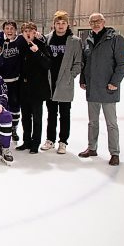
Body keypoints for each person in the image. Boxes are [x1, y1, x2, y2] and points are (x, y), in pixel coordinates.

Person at [78, 12, 124, 166]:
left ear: (104, 21)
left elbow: (122, 64)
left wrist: (115, 82)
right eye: (92, 21)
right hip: (92, 88)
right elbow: (85, 63)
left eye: (98, 21)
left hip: (108, 88)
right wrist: (83, 79)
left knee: (111, 123)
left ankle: (115, 153)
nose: (96, 23)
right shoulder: (88, 40)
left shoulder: (116, 39)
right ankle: (92, 148)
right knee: (93, 122)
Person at [41, 11, 82, 154]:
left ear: (67, 24)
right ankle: (50, 139)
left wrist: (71, 76)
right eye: (58, 23)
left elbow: (78, 63)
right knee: (51, 113)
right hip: (50, 82)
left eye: (63, 23)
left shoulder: (75, 41)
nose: (60, 25)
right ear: (54, 24)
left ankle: (63, 141)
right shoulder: (47, 39)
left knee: (65, 114)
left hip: (65, 82)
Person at [15, 22, 51, 154]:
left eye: (31, 31)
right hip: (23, 87)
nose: (28, 33)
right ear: (22, 33)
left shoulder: (42, 45)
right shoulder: (20, 45)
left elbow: (47, 64)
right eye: (25, 31)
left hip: (37, 88)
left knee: (37, 117)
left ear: (35, 32)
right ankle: (26, 141)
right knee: (25, 117)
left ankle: (35, 143)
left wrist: (37, 52)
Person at [0, 20, 27, 141]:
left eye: (12, 28)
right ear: (3, 30)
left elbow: (32, 37)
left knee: (15, 105)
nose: (9, 31)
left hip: (15, 80)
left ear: (16, 30)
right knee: (0, 104)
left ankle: (13, 129)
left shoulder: (20, 40)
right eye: (7, 28)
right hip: (1, 80)